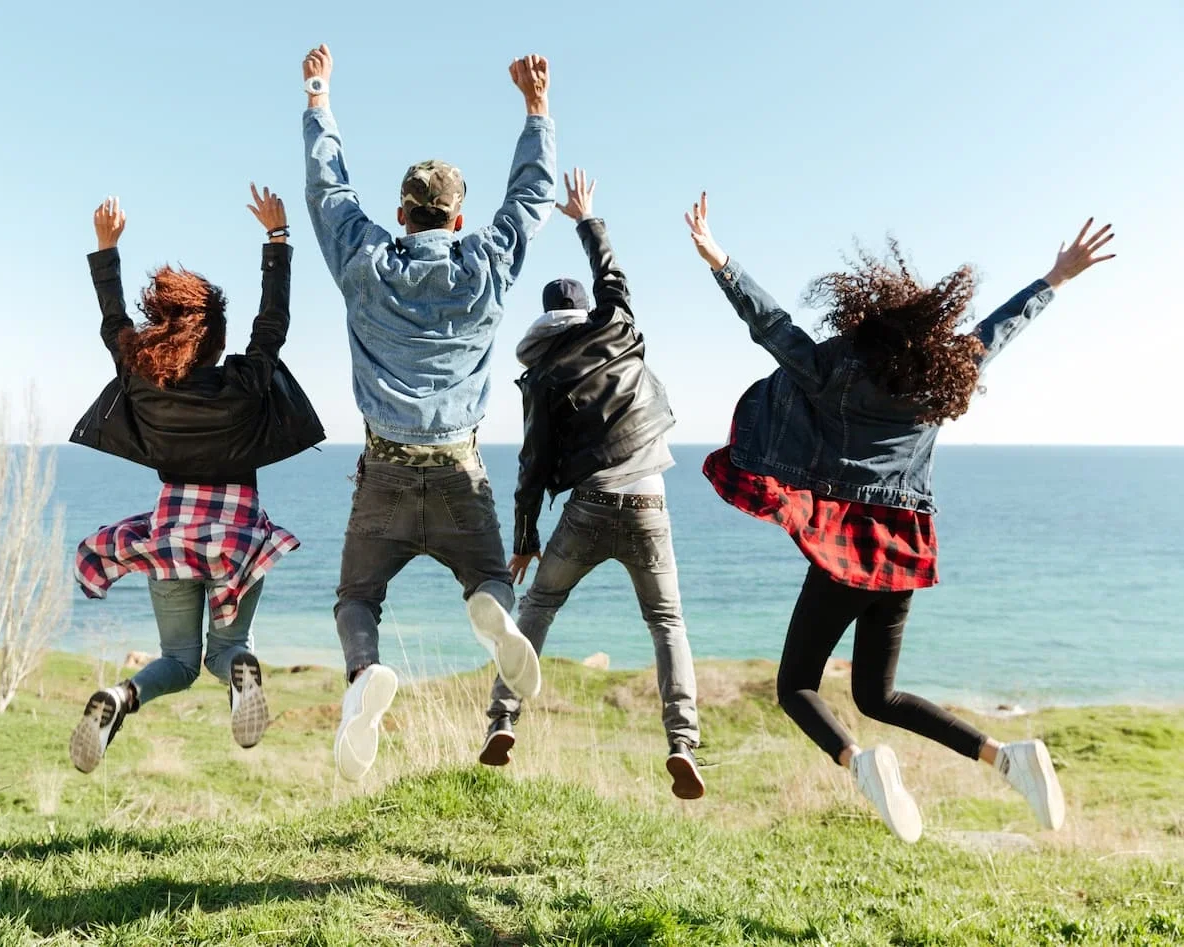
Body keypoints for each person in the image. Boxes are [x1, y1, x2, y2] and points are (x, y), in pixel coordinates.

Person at [685, 195, 1115, 841]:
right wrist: (1055, 278)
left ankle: (859, 762)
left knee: (796, 686)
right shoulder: (942, 375)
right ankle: (1006, 756)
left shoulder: (831, 369)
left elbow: (770, 323)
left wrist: (719, 259)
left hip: (846, 544)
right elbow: (997, 330)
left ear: (863, 317)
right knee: (876, 695)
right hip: (904, 546)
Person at [301, 43, 556, 781]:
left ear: (401, 215)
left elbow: (327, 191)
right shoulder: (486, 264)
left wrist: (319, 98)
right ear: (457, 217)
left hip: (383, 468)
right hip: (457, 469)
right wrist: (536, 110)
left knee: (357, 597)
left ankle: (364, 676)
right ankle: (492, 613)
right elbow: (530, 200)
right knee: (489, 575)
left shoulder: (365, 261)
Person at [69, 188, 313, 773]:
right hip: (236, 534)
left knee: (178, 661)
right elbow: (273, 323)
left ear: (161, 334)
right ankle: (240, 672)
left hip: (172, 532)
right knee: (226, 650)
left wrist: (106, 248)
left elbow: (114, 324)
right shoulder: (244, 384)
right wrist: (277, 240)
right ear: (218, 341)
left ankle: (120, 697)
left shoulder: (143, 383)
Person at [478, 168, 703, 799]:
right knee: (667, 623)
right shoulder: (619, 329)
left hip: (590, 506)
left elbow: (532, 464)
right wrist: (587, 220)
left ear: (545, 319)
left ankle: (502, 721)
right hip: (650, 501)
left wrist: (526, 539)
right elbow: (613, 276)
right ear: (585, 310)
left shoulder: (542, 375)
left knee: (538, 607)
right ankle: (682, 742)